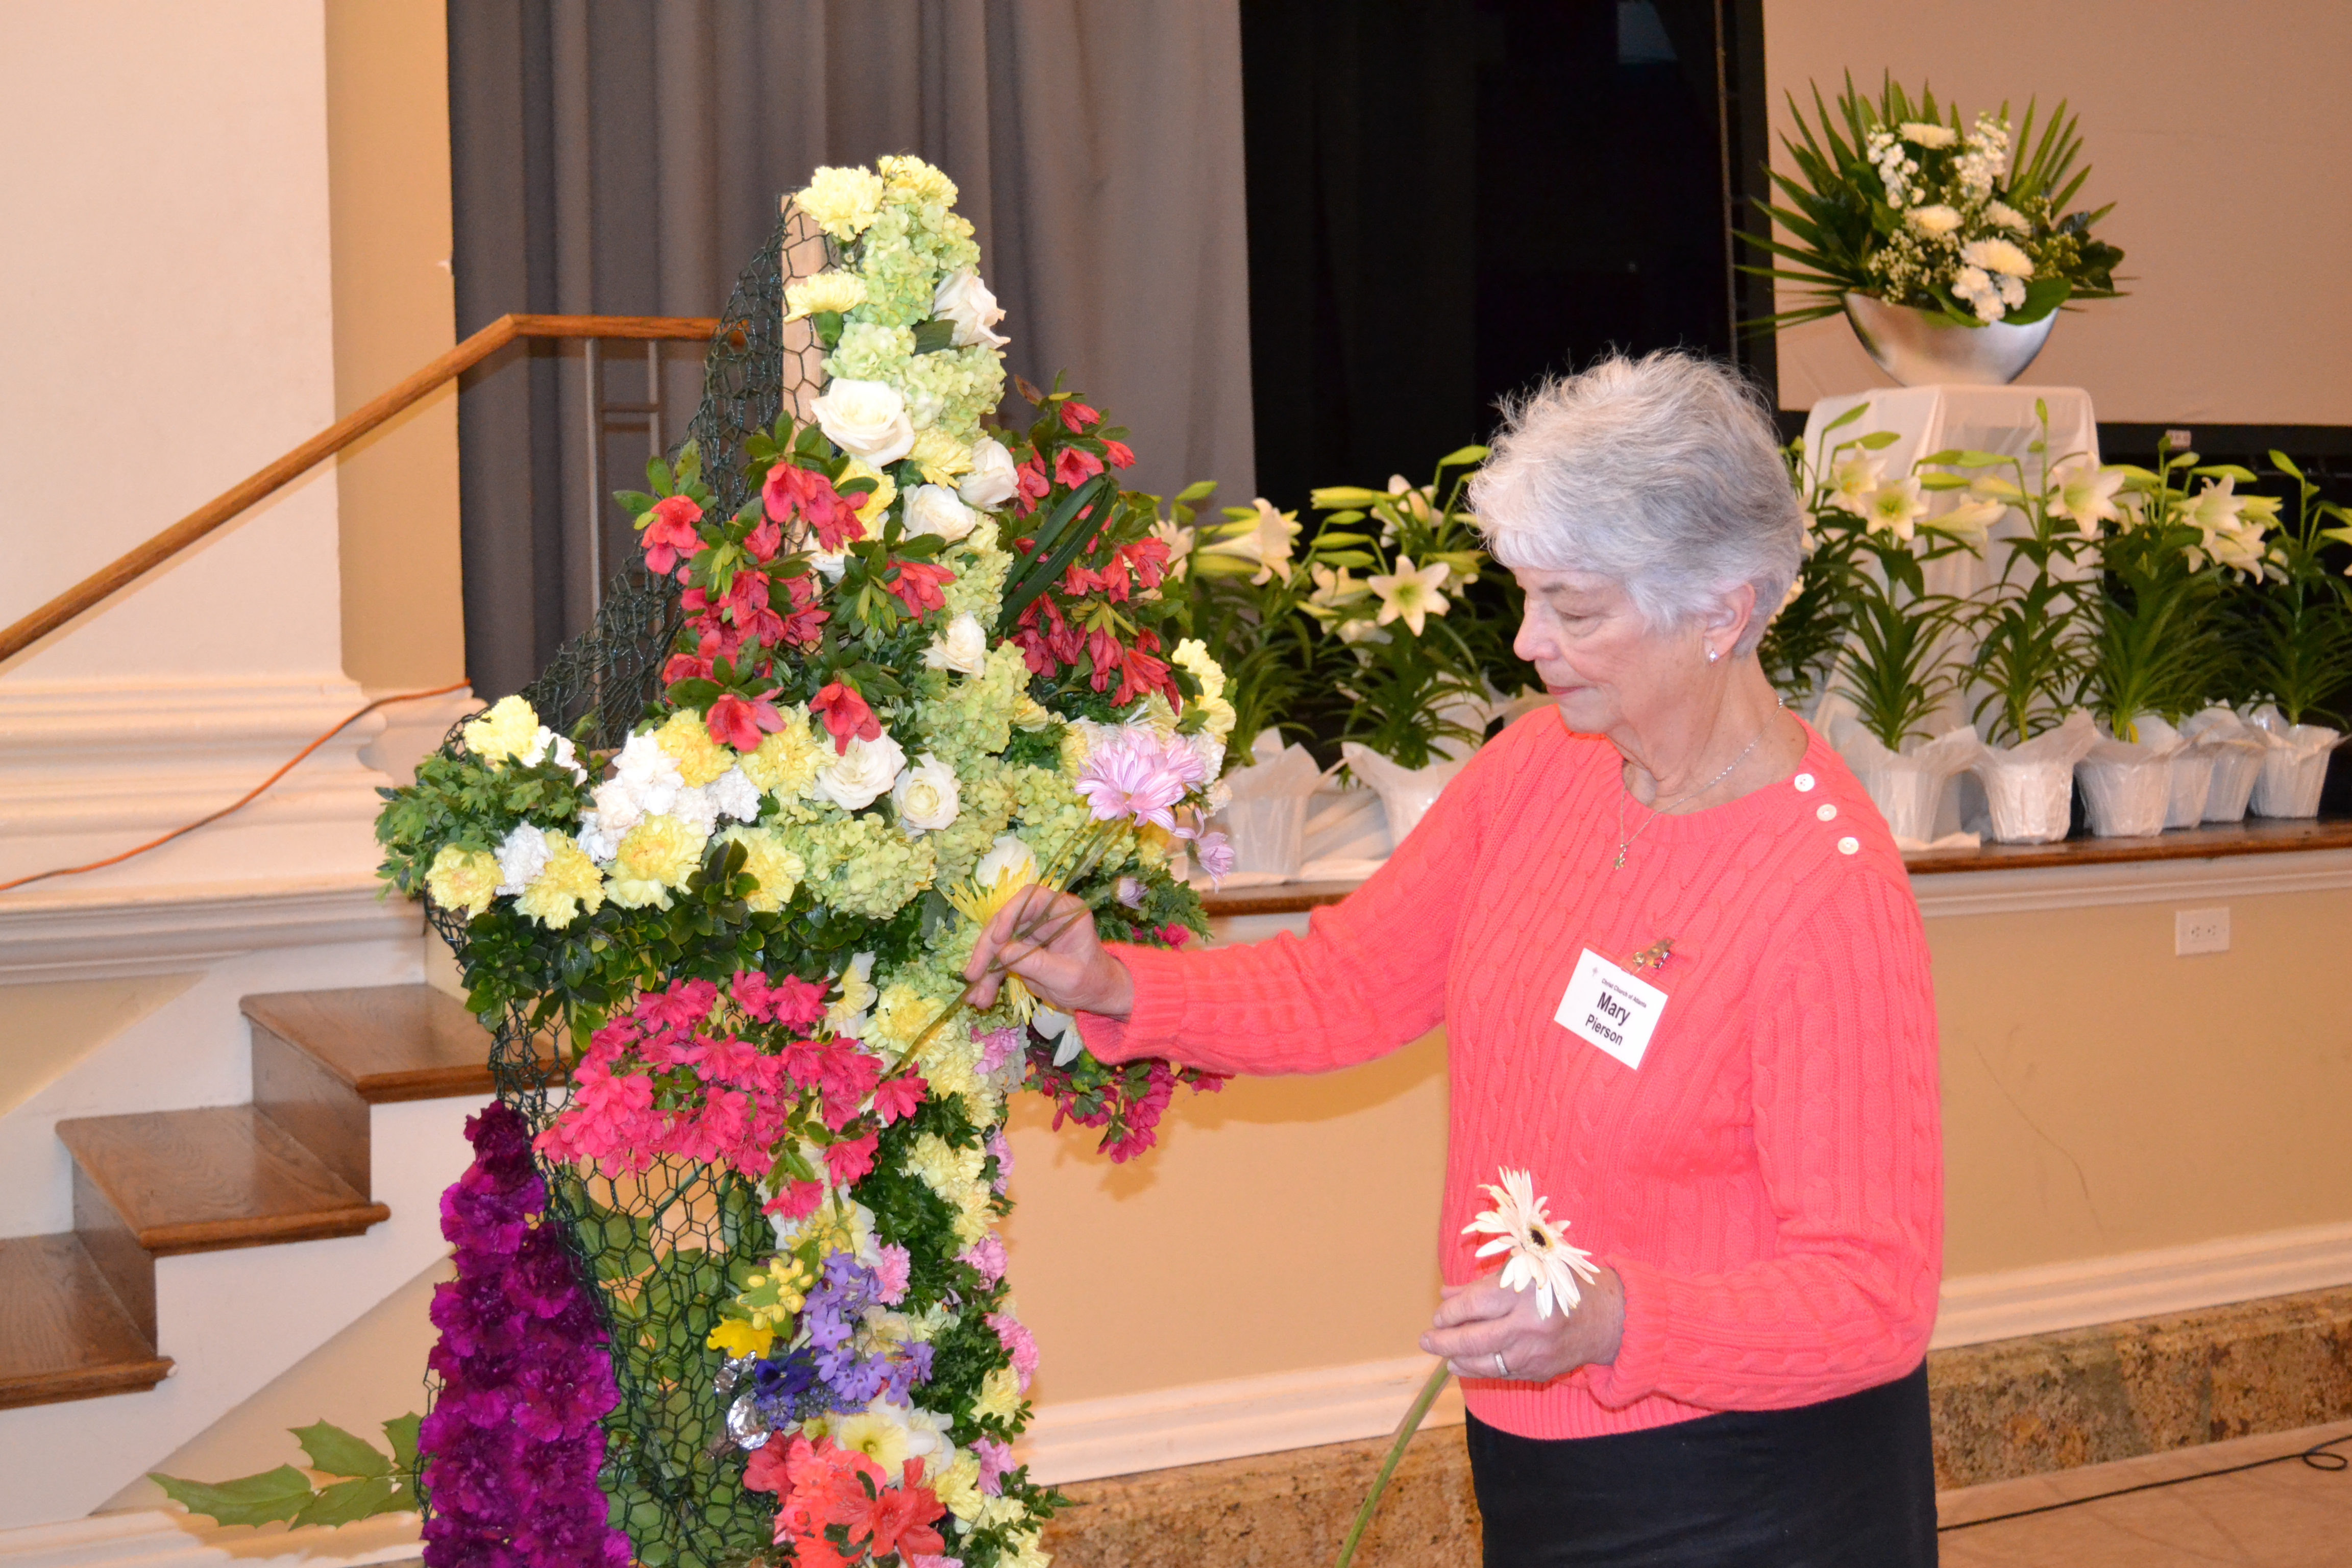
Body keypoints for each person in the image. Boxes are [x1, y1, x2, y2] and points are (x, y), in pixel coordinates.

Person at [966, 351, 1942, 1567]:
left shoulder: (1825, 886)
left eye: (1576, 609)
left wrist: (1620, 1318)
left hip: (1746, 1485)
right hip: (1539, 1455)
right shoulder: (1541, 769)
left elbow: (1872, 1296)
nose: (1531, 641)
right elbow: (1345, 983)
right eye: (1528, 596)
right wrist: (1123, 987)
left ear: (1723, 610)